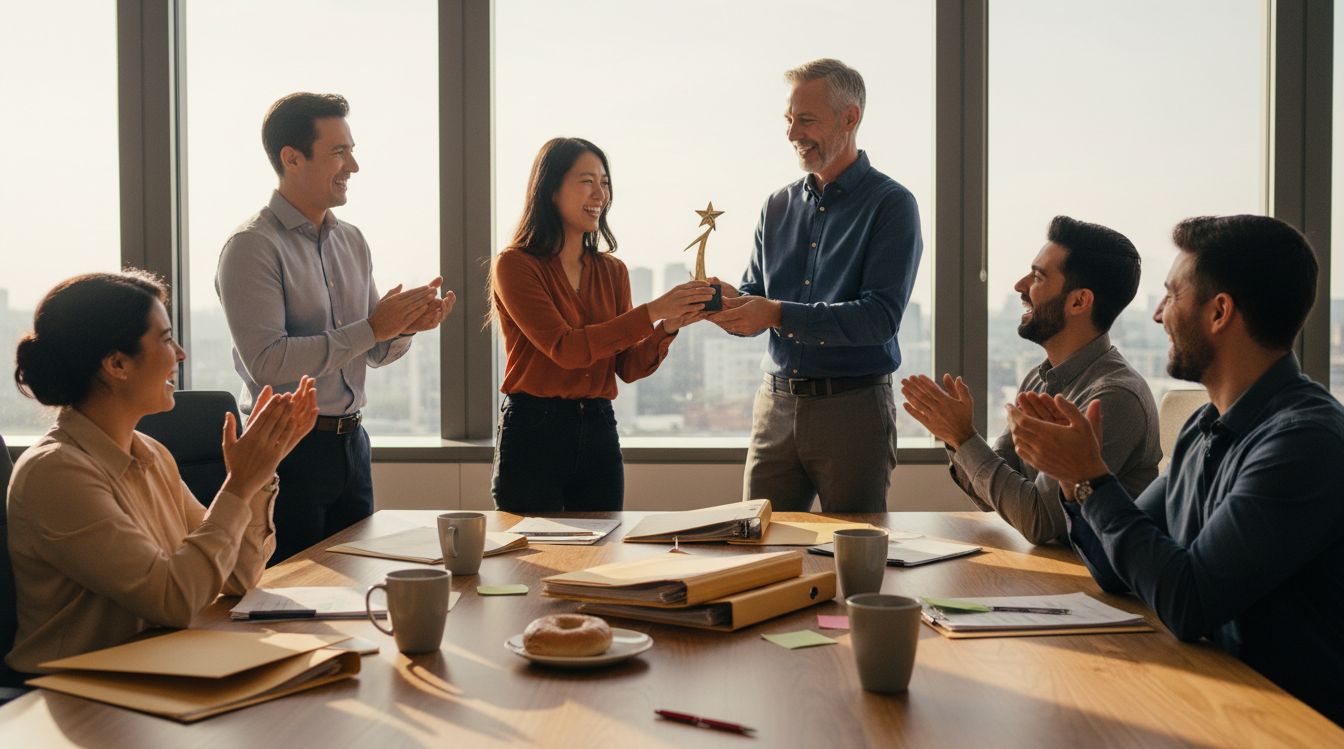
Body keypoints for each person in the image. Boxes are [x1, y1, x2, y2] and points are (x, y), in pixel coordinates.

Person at [1006, 215, 1344, 725]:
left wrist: (1093, 479)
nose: (1159, 314)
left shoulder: (1305, 442)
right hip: (1217, 696)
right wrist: (1079, 482)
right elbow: (1114, 568)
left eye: (1172, 295)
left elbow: (1190, 602)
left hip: (1294, 727)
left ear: (1219, 312)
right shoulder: (1204, 426)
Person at [5, 271, 317, 674]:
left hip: (155, 671)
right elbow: (173, 600)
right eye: (167, 339)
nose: (181, 354)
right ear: (117, 363)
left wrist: (257, 475)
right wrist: (238, 485)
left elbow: (237, 577)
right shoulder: (56, 473)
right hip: (77, 697)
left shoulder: (152, 453)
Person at [216, 92, 454, 563]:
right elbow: (268, 363)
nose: (354, 166)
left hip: (352, 447)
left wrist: (404, 327)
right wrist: (373, 328)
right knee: (295, 598)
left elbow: (373, 351)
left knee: (356, 588)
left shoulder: (352, 240)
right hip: (287, 452)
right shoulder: (251, 247)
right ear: (292, 158)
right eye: (340, 152)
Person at [709, 58, 921, 513]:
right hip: (774, 407)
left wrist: (776, 313)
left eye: (805, 120)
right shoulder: (776, 205)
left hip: (854, 410)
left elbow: (879, 319)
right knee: (759, 552)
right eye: (789, 120)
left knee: (854, 556)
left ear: (850, 118)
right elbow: (755, 297)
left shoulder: (893, 205)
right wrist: (726, 304)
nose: (791, 134)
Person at [901, 216, 1160, 544]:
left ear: (1079, 301)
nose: (1020, 286)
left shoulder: (1114, 398)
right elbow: (991, 497)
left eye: (1038, 276)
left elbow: (1041, 522)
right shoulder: (1038, 380)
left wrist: (964, 437)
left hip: (1090, 583)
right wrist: (956, 439)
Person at [490, 137, 714, 512]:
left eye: (605, 182)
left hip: (598, 430)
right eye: (586, 181)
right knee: (530, 563)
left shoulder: (612, 271)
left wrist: (668, 327)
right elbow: (566, 349)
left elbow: (626, 367)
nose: (600, 193)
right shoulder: (515, 265)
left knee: (602, 560)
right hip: (534, 432)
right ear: (551, 189)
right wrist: (652, 310)